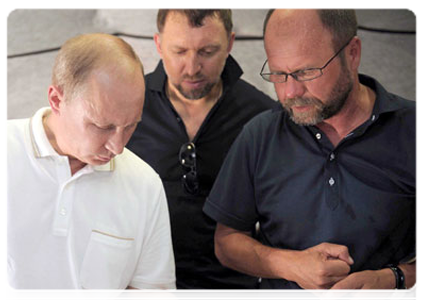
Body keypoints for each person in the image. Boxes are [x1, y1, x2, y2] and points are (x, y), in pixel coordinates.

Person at [203, 8, 419, 300]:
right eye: (279, 74)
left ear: (352, 53)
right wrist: (289, 265)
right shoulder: (259, 135)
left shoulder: (413, 129)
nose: (290, 92)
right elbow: (226, 242)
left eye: (306, 71)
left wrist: (393, 280)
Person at [5, 33, 178, 300]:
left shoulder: (144, 185)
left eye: (131, 125)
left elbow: (150, 290)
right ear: (56, 100)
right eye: (103, 126)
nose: (118, 147)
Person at [126, 8, 277, 300]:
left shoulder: (263, 117)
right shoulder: (127, 104)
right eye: (179, 51)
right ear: (158, 44)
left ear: (231, 43)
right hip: (142, 289)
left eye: (207, 51)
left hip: (235, 292)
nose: (192, 67)